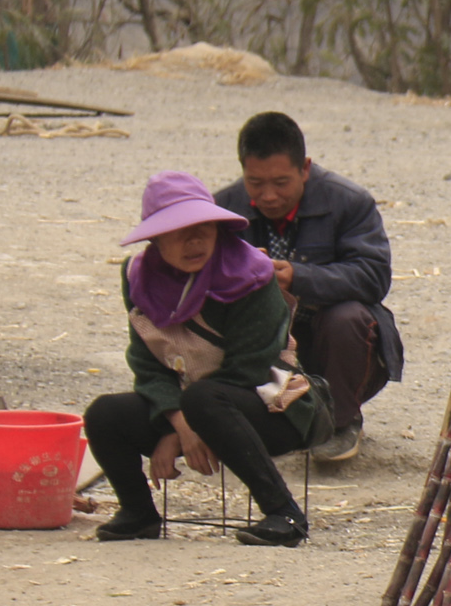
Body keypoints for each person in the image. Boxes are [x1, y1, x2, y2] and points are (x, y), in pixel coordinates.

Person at [83, 172, 326, 546]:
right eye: (179, 232)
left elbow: (251, 369)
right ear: (156, 239)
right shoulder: (138, 277)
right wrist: (176, 425)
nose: (195, 241)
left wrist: (183, 431)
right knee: (105, 414)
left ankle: (285, 513)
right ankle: (138, 514)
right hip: (197, 408)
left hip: (273, 408)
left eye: (204, 228)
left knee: (205, 398)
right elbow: (147, 364)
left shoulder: (251, 275)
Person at [212, 111, 403, 464]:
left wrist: (298, 278)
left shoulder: (349, 201)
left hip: (333, 349)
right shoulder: (222, 209)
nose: (268, 195)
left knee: (348, 318)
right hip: (261, 344)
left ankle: (337, 423)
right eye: (255, 183)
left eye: (281, 182)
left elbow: (374, 276)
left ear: (305, 169)